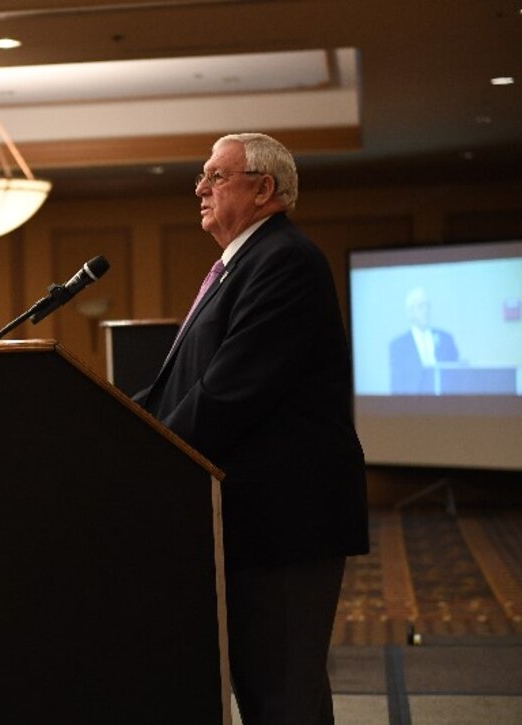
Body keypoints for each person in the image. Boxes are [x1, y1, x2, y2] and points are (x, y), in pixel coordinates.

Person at [134, 133, 368, 725]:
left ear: (264, 189)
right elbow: (180, 387)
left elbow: (229, 393)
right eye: (202, 177)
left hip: (286, 524)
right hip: (254, 522)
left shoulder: (284, 259)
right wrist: (116, 420)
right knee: (280, 695)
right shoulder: (240, 265)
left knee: (282, 697)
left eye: (217, 176)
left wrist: (143, 454)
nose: (201, 188)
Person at [388, 287, 460, 394]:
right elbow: (397, 386)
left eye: (428, 306)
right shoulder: (398, 346)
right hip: (413, 406)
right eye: (421, 306)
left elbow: (456, 377)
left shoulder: (446, 339)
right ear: (410, 313)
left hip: (445, 404)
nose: (426, 310)